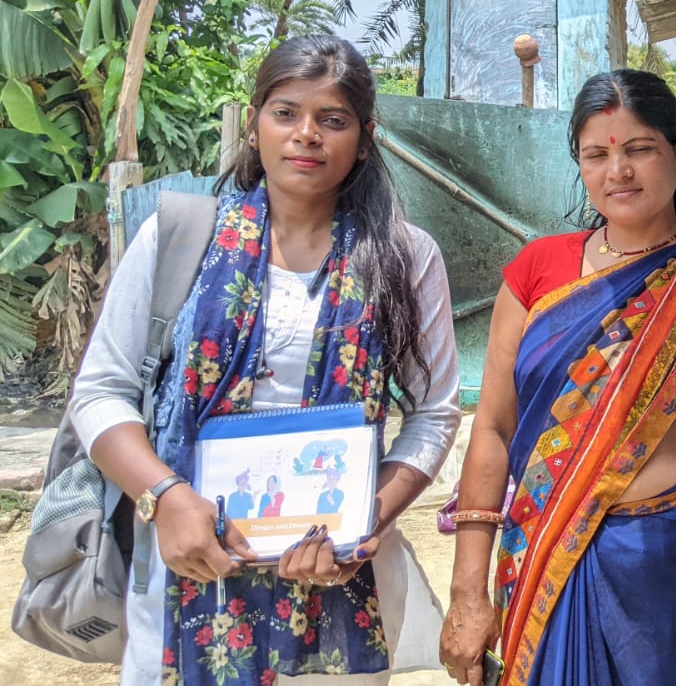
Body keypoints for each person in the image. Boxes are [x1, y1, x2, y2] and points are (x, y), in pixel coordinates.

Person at [69, 34, 462, 685]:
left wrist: (364, 523)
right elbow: (100, 390)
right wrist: (165, 496)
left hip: (334, 585)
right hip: (186, 573)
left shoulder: (402, 256)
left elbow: (434, 413)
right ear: (254, 124)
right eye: (286, 112)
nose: (306, 133)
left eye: (331, 120)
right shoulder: (177, 235)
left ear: (363, 139)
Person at [440, 70, 676, 686]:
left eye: (639, 149)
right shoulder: (539, 270)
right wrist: (467, 590)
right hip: (541, 556)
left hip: (673, 562)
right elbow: (491, 427)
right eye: (597, 155)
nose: (617, 171)